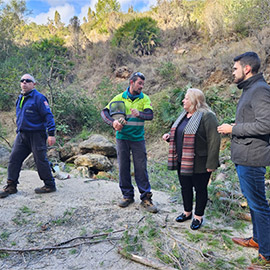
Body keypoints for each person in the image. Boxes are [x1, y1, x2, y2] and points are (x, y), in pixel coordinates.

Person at [217, 52, 270, 269]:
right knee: (255, 204)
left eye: (235, 68)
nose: (233, 72)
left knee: (259, 206)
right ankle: (258, 240)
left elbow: (266, 124)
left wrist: (234, 129)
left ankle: (266, 255)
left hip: (253, 158)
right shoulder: (250, 89)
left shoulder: (260, 91)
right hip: (245, 157)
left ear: (247, 69)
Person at [162, 88, 220, 230]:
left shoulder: (207, 116)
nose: (183, 100)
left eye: (186, 98)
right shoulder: (184, 115)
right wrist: (170, 136)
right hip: (183, 160)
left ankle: (198, 216)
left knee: (200, 189)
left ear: (195, 100)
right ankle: (187, 212)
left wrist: (211, 163)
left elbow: (214, 140)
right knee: (185, 187)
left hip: (200, 162)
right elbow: (181, 133)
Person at [101, 72, 158, 213]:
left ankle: (146, 198)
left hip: (138, 139)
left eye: (143, 84)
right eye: (139, 83)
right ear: (131, 83)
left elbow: (150, 115)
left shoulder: (144, 98)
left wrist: (140, 114)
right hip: (122, 138)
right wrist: (113, 122)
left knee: (141, 168)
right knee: (123, 167)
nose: (141, 86)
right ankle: (127, 196)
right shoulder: (119, 98)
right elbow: (104, 112)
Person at [0, 74, 56, 198]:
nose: (24, 83)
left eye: (28, 81)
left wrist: (51, 134)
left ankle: (50, 185)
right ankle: (11, 186)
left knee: (40, 160)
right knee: (14, 159)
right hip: (22, 135)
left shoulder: (39, 98)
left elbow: (48, 116)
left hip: (37, 135)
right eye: (22, 81)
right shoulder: (20, 98)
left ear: (33, 84)